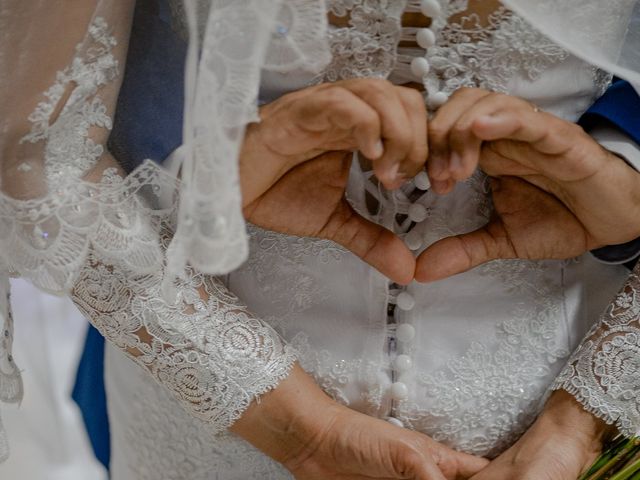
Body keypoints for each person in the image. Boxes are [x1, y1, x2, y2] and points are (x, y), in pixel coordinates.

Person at [2, 2, 640, 480]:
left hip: (576, 402)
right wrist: (293, 428)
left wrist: (586, 416)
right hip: (218, 425)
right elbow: (34, 154)